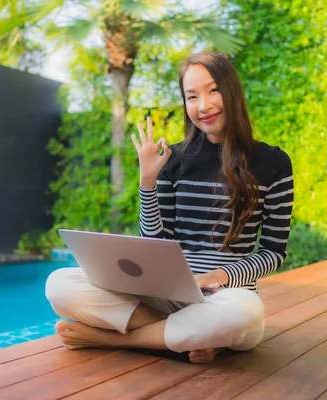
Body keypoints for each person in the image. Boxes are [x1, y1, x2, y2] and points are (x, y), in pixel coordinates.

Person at [45, 52, 294, 364]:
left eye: (213, 90)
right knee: (59, 284)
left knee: (246, 316)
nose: (203, 105)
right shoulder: (172, 159)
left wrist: (219, 275)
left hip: (228, 296)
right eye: (192, 96)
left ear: (233, 91)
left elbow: (274, 252)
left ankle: (117, 339)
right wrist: (148, 180)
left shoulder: (273, 163)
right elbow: (155, 244)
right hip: (168, 296)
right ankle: (192, 337)